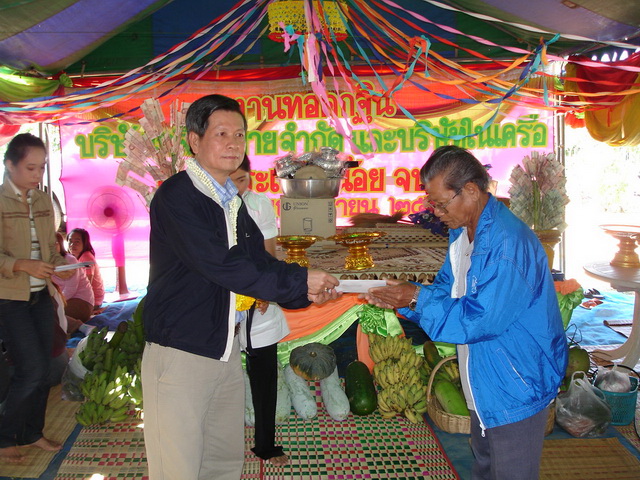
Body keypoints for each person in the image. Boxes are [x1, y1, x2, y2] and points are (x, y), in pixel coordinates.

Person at [142, 93, 340, 480]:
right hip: (182, 351)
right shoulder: (178, 196)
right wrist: (299, 280)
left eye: (240, 134)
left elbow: (257, 261)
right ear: (195, 140)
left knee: (223, 462)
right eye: (221, 134)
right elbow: (222, 264)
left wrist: (303, 289)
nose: (233, 143)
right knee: (178, 469)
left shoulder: (233, 201)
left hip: (226, 348)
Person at [361, 145, 568, 480]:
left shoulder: (506, 245)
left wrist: (416, 299)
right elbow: (449, 289)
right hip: (485, 373)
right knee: (485, 463)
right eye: (432, 203)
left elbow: (480, 320)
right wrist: (407, 300)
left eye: (442, 203)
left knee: (510, 471)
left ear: (471, 190)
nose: (436, 212)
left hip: (516, 380)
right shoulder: (463, 231)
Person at [0, 133, 73, 464]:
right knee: (30, 369)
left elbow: (50, 254)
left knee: (44, 368)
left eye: (42, 167)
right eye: (30, 167)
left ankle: (32, 432)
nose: (37, 174)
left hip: (40, 296)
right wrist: (21, 264)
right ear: (9, 165)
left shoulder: (43, 201)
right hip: (10, 299)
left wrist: (65, 267)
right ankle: (5, 436)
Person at [231, 155, 289, 466]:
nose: (236, 187)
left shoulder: (259, 204)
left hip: (257, 297)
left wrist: (265, 288)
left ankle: (266, 445)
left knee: (264, 374)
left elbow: (269, 253)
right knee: (221, 376)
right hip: (220, 297)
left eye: (242, 180)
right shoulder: (206, 205)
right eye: (229, 181)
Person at [52, 232, 95, 333]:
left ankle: (81, 327)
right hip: (61, 300)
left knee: (50, 314)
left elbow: (70, 289)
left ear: (60, 244)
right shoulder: (44, 262)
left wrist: (56, 303)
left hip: (81, 302)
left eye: (55, 243)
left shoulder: (69, 260)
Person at [67, 227, 104, 309]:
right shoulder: (73, 258)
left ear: (85, 243)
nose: (72, 245)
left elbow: (87, 286)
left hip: (91, 301)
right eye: (70, 241)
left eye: (77, 242)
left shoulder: (87, 258)